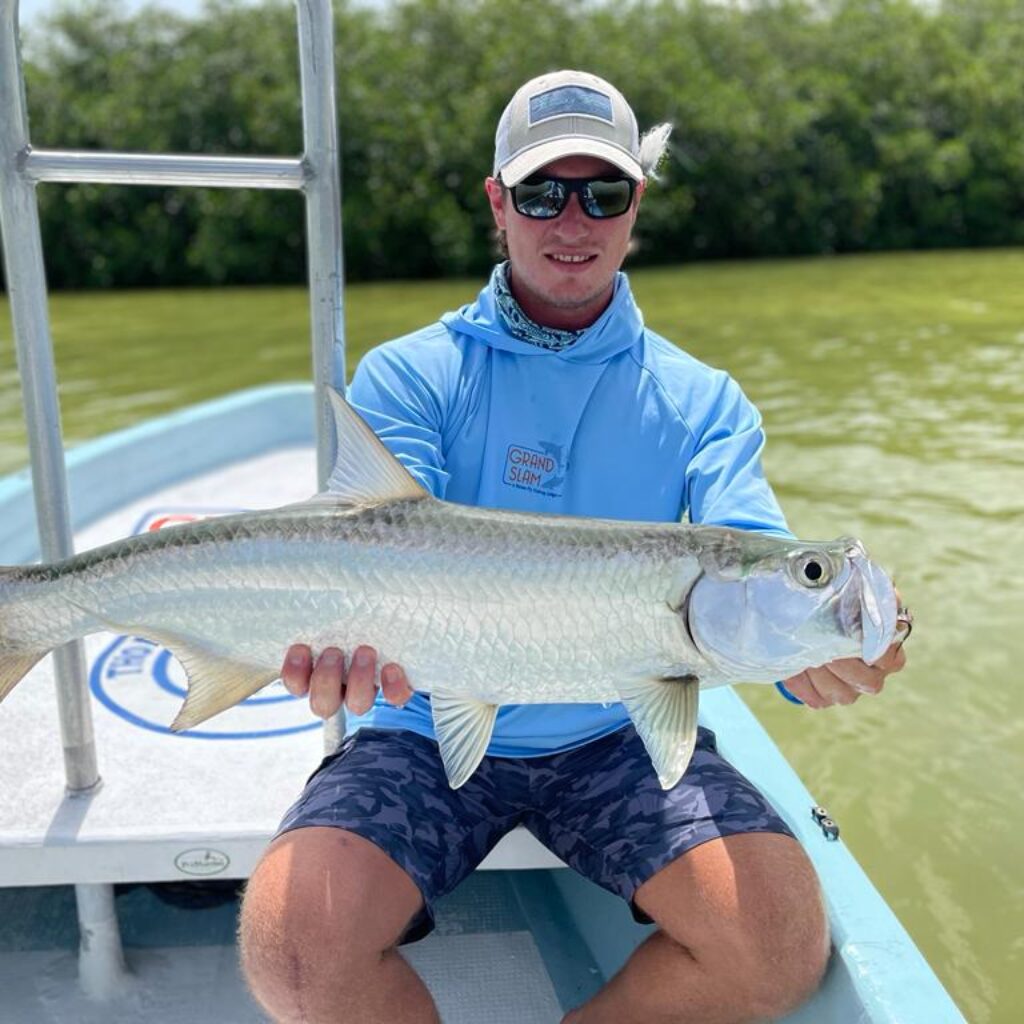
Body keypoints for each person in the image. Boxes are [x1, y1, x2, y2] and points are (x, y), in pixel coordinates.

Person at [239, 70, 906, 1023]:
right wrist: (333, 650)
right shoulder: (414, 374)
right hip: (422, 725)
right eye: (545, 190)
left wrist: (817, 657)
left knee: (776, 944)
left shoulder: (702, 401)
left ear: (637, 209)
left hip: (618, 734)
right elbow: (374, 542)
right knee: (296, 953)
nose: (573, 218)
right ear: (498, 204)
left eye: (605, 192)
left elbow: (756, 569)